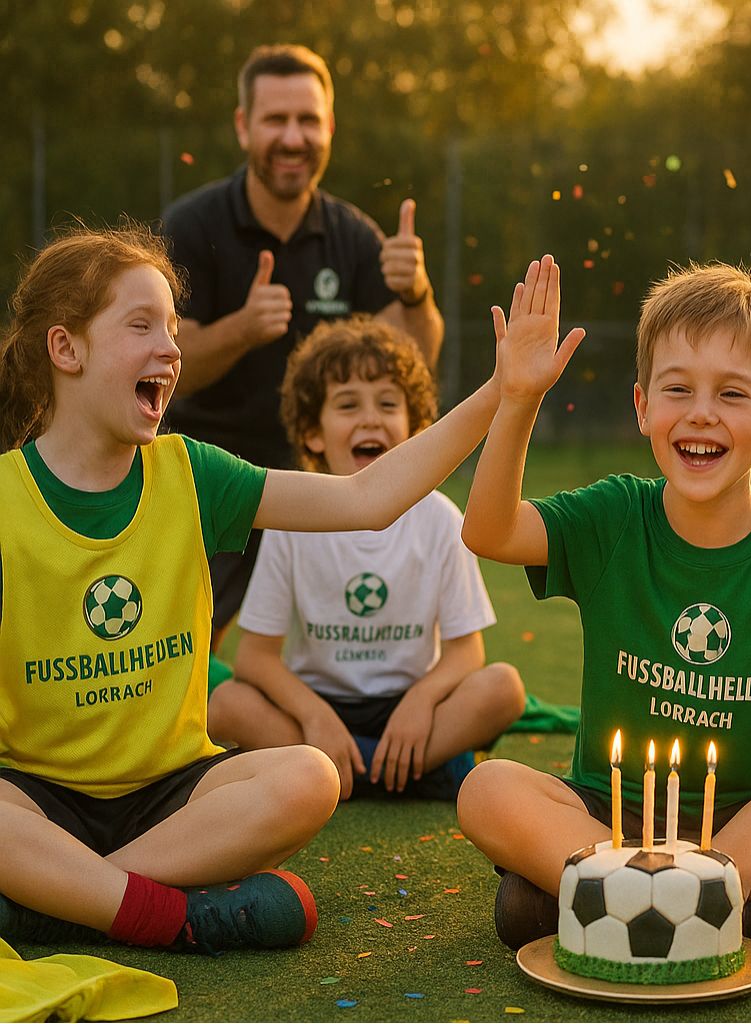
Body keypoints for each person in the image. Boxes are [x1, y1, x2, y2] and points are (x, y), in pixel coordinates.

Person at [0, 224, 501, 953]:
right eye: (141, 325)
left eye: (173, 327)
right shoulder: (7, 499)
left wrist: (500, 391)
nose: (171, 349)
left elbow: (365, 497)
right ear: (65, 348)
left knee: (309, 778)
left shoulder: (192, 474)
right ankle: (162, 914)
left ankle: (66, 897)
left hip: (175, 796)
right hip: (39, 795)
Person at [455, 258, 751, 974]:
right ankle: (747, 914)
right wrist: (517, 400)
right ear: (642, 407)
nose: (702, 413)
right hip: (605, 821)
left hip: (745, 827)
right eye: (678, 390)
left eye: (732, 393)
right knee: (486, 790)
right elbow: (489, 531)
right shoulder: (614, 515)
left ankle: (583, 906)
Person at [159, 43, 445, 641]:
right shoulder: (193, 227)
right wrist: (241, 329)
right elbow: (161, 370)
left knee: (356, 647)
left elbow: (413, 360)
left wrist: (416, 294)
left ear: (330, 127)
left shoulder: (354, 236)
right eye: (276, 120)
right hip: (213, 475)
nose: (293, 137)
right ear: (244, 127)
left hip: (322, 479)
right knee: (179, 638)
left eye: (308, 120)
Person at [207, 316, 526, 801]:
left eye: (387, 403)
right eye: (348, 404)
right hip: (319, 705)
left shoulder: (441, 518)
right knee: (225, 702)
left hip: (408, 707)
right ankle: (399, 769)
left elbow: (467, 652)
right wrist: (315, 717)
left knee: (504, 688)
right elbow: (254, 657)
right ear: (314, 434)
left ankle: (346, 772)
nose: (370, 419)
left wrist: (420, 702)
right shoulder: (295, 522)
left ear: (417, 429)